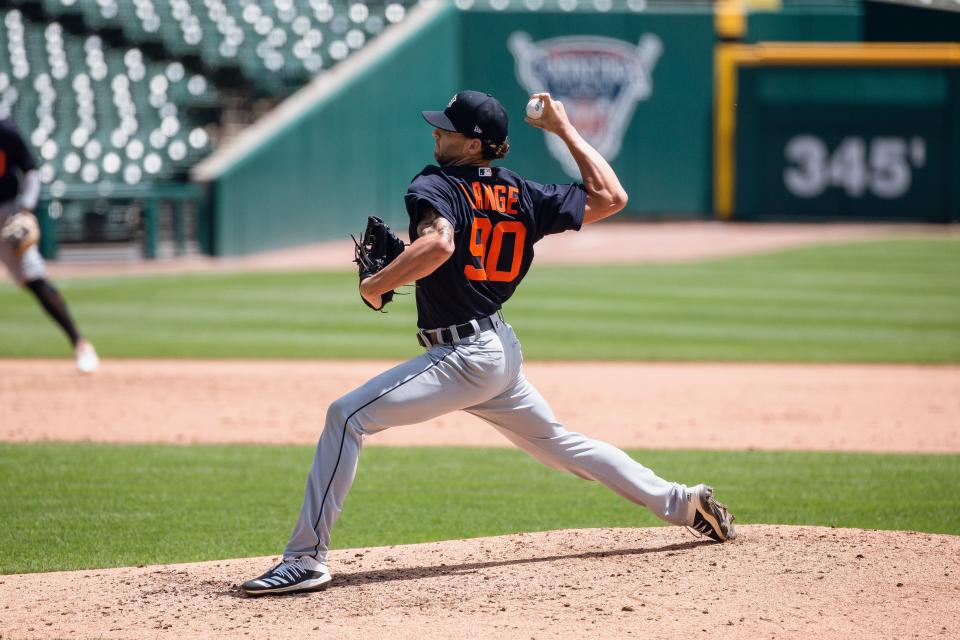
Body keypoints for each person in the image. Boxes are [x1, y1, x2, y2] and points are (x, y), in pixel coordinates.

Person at [242, 90, 735, 596]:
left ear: (475, 144)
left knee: (346, 416)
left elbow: (438, 244)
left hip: (463, 357)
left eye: (448, 128)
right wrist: (564, 130)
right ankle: (681, 500)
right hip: (497, 350)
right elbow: (611, 198)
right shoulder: (522, 192)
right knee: (562, 444)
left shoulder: (434, 182)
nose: (436, 132)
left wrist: (377, 283)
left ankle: (305, 559)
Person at [0, 119, 99, 373]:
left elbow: (30, 169)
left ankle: (80, 344)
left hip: (6, 213)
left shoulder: (6, 132)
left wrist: (26, 209)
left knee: (35, 280)